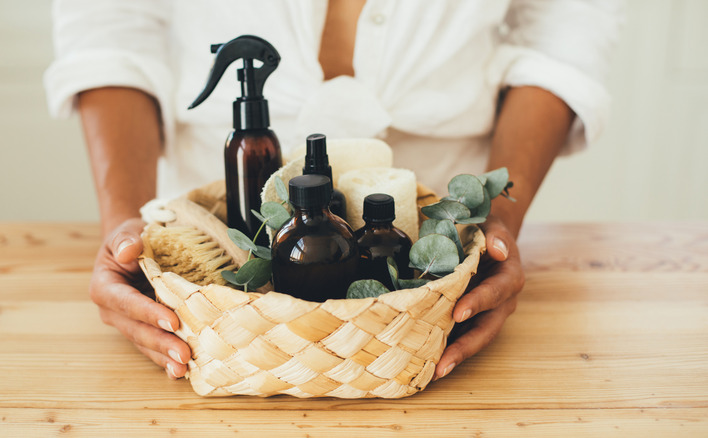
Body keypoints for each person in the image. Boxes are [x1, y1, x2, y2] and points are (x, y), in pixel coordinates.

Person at [45, 0, 622, 381]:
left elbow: (563, 27)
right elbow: (110, 24)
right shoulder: (249, 147)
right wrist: (124, 221)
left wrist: (491, 225)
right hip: (214, 284)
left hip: (435, 266)